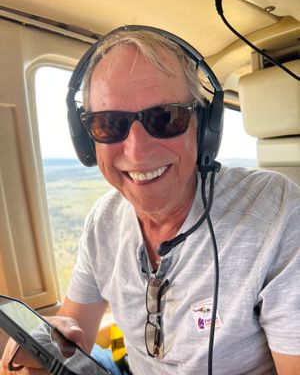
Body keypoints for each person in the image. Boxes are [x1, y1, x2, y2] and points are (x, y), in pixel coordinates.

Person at [1, 29, 300, 375]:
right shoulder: (104, 221)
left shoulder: (275, 213)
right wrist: (44, 352)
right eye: (109, 124)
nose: (137, 150)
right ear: (86, 140)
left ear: (203, 128)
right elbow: (75, 328)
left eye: (165, 118)